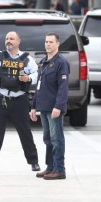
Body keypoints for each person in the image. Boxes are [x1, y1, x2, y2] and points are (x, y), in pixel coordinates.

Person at [0, 25, 41, 174]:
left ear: (19, 41)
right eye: (6, 38)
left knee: (25, 133)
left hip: (19, 101)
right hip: (1, 100)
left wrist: (28, 78)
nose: (8, 41)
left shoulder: (27, 59)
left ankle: (34, 162)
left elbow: (37, 74)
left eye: (12, 38)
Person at [30, 32, 69, 180]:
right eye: (46, 42)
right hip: (44, 107)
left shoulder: (61, 63)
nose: (48, 44)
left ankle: (60, 169)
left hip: (54, 108)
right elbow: (39, 87)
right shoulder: (44, 62)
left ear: (57, 44)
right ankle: (50, 167)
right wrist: (33, 106)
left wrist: (58, 106)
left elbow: (63, 88)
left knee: (57, 139)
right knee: (48, 139)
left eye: (51, 42)